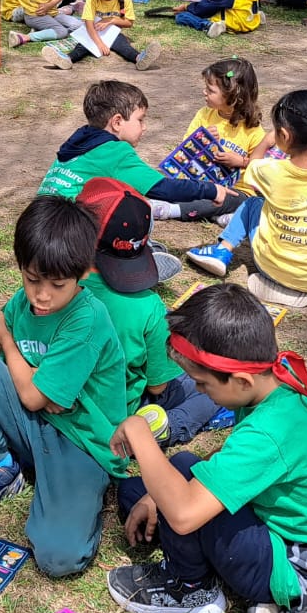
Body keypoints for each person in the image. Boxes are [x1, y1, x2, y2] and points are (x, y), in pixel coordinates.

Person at [107, 284, 307, 613]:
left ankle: (191, 590)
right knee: (141, 492)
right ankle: (240, 582)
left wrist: (139, 432)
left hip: (290, 563)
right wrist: (154, 496)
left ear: (240, 380)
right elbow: (235, 462)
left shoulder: (268, 434)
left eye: (203, 384)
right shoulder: (279, 376)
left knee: (175, 494)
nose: (197, 391)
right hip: (295, 531)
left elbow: (183, 515)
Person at [0, 195, 128, 576]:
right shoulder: (25, 302)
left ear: (83, 274)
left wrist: (8, 343)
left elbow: (30, 392)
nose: (41, 296)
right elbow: (26, 389)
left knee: (58, 559)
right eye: (31, 279)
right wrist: (35, 385)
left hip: (81, 443)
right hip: (35, 420)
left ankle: (76, 490)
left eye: (57, 284)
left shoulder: (86, 318)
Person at [76, 177, 220, 445]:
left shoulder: (50, 285)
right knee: (211, 386)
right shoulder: (148, 305)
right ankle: (161, 431)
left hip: (61, 396)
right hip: (118, 412)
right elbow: (157, 386)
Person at [185, 91, 307, 310]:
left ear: (284, 135)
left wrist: (266, 140)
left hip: (275, 267)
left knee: (253, 204)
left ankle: (223, 251)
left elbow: (253, 162)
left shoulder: (273, 171)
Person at [38, 79, 231, 222]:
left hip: (39, 221)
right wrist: (211, 189)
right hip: (67, 229)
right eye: (140, 119)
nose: (144, 127)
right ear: (117, 122)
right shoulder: (115, 151)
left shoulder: (82, 139)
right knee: (134, 211)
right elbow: (163, 189)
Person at [41, 0, 162, 71]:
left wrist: (112, 20)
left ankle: (139, 58)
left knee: (122, 44)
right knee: (82, 46)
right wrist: (100, 44)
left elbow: (129, 23)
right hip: (91, 33)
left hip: (112, 34)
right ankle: (67, 59)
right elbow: (89, 24)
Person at [183, 58, 269, 192]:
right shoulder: (204, 115)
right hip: (202, 183)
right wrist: (201, 140)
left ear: (233, 97)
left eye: (210, 90)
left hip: (238, 191)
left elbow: (263, 170)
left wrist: (241, 162)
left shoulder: (253, 131)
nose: (204, 92)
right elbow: (183, 151)